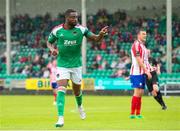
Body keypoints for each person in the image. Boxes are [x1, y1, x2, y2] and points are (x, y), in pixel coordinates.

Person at [47, 9, 108, 127]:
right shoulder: (57, 30)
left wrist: (100, 34)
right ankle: (60, 118)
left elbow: (95, 38)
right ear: (66, 18)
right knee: (61, 89)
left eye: (76, 17)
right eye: (73, 17)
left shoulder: (81, 29)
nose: (75, 19)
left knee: (77, 91)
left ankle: (80, 106)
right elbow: (49, 42)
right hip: (62, 65)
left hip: (76, 66)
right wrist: (52, 49)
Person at [129, 28, 151, 119]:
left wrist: (148, 69)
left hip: (141, 72)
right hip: (137, 72)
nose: (145, 35)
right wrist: (146, 71)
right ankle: (132, 114)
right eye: (143, 34)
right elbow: (138, 60)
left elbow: (145, 60)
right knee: (137, 92)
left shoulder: (143, 46)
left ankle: (138, 113)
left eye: (145, 34)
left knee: (141, 92)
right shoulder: (136, 45)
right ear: (138, 35)